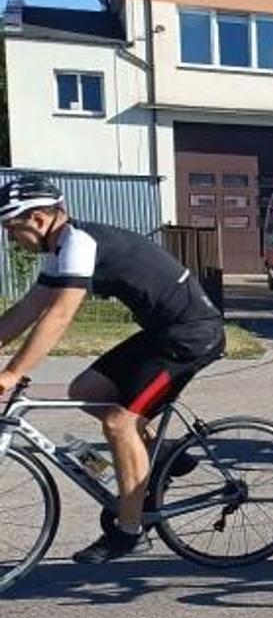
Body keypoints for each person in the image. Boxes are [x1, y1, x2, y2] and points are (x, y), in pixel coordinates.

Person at [0, 175, 226, 562]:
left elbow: (58, 316)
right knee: (85, 390)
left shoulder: (78, 243)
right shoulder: (61, 248)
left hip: (192, 336)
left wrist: (12, 373)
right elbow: (28, 309)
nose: (9, 240)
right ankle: (166, 454)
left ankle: (129, 531)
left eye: (11, 229)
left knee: (119, 424)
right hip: (162, 332)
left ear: (38, 219)